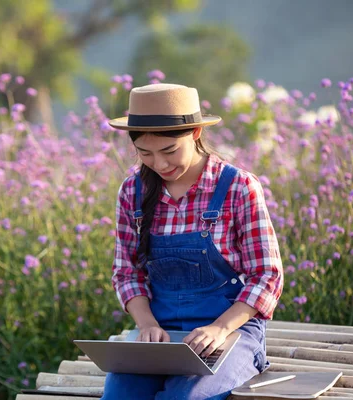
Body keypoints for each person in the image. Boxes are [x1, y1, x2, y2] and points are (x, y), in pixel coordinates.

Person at [102, 83, 284, 400]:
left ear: (196, 132)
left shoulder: (238, 186)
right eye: (145, 153)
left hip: (231, 333)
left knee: (185, 397)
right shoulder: (132, 191)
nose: (159, 164)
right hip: (160, 335)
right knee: (120, 395)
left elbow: (266, 276)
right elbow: (127, 273)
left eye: (169, 151)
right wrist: (146, 325)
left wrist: (219, 328)